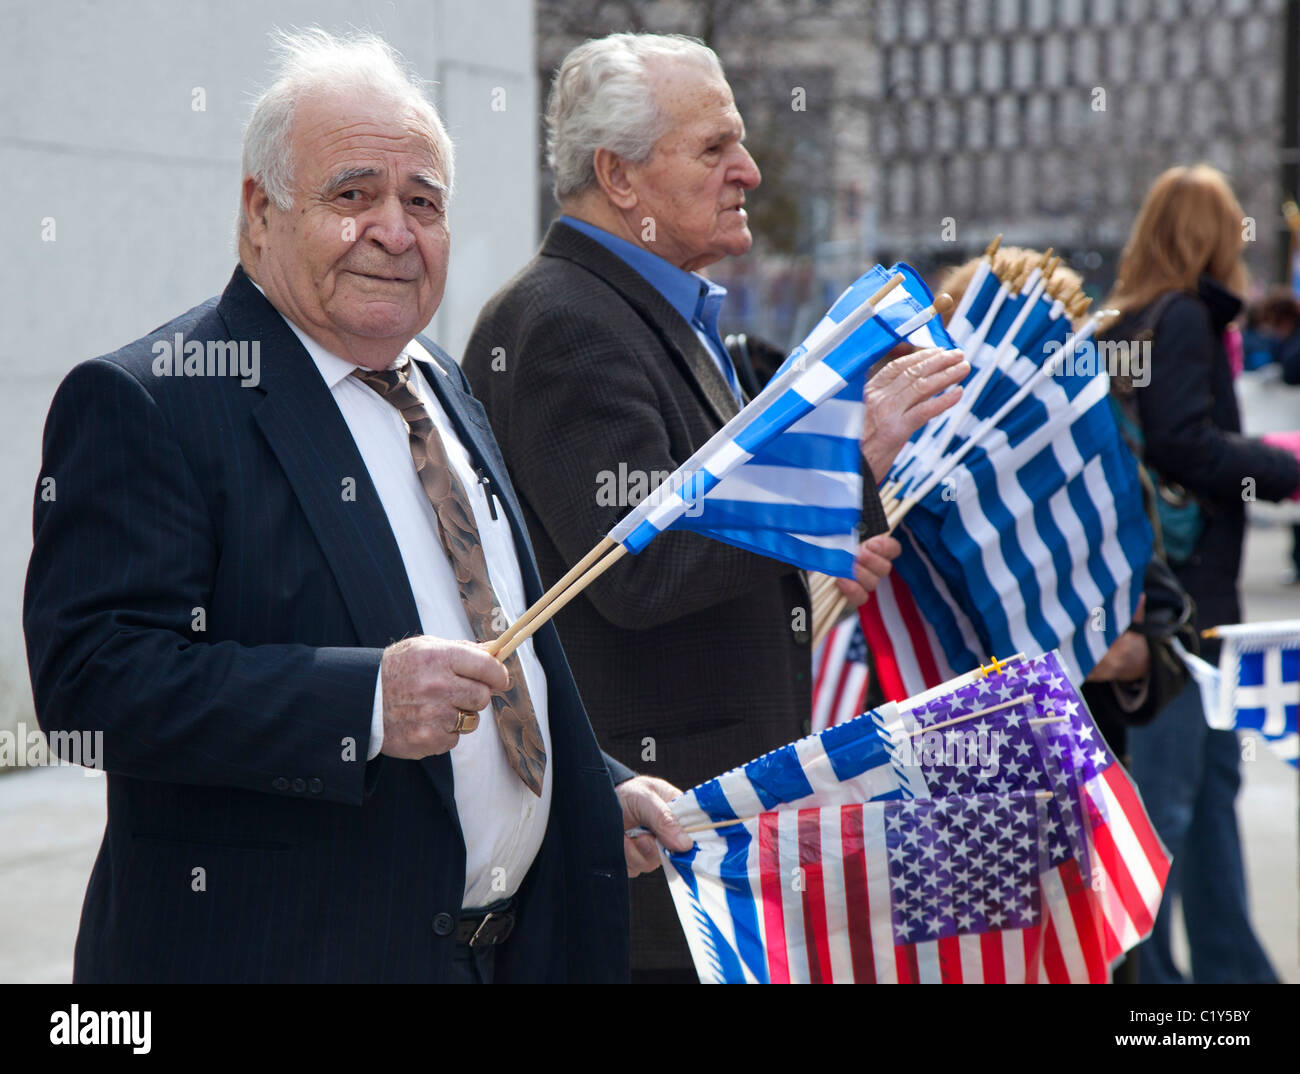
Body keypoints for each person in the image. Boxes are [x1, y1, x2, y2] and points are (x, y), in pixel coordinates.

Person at [22, 28, 686, 984]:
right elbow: (90, 686)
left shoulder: (443, 386)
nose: (395, 230)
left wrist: (589, 791)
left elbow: (504, 645)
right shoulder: (152, 401)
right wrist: (363, 703)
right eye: (352, 194)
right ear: (259, 212)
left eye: (424, 202)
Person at [462, 31, 967, 981]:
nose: (750, 168)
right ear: (618, 175)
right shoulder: (567, 320)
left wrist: (813, 548)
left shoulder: (648, 310)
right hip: (645, 847)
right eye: (713, 148)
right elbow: (640, 568)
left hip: (698, 833)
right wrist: (843, 464)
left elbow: (702, 529)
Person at [1101, 164, 1300, 984]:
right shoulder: (1182, 319)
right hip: (1186, 600)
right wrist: (1278, 464)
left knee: (1210, 799)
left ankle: (1231, 980)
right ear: (1212, 237)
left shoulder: (1125, 320)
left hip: (1161, 589)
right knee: (1175, 806)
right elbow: (1186, 442)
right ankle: (1152, 990)